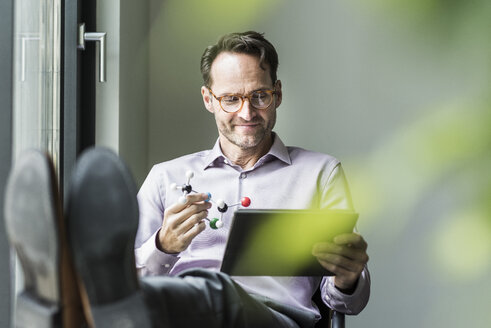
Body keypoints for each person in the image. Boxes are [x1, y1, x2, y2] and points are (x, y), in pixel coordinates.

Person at [135, 31, 370, 326]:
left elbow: (347, 303)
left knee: (216, 292)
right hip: (181, 314)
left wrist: (347, 279)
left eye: (259, 96)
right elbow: (126, 287)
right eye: (231, 99)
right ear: (209, 99)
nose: (247, 113)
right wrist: (163, 246)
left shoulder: (320, 174)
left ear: (278, 94)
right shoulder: (165, 177)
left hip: (275, 319)